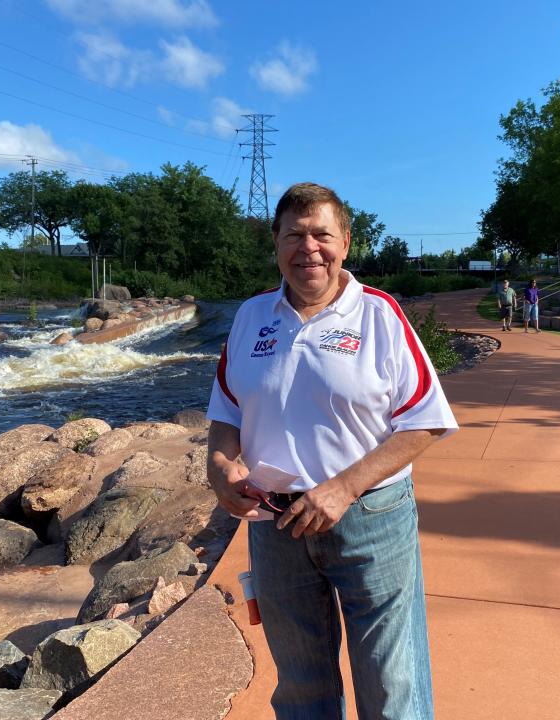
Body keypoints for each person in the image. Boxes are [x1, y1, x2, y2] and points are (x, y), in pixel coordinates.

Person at [206, 182, 458, 720]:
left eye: (322, 234)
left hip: (370, 518)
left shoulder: (380, 315)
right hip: (274, 524)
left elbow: (425, 421)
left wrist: (344, 487)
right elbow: (226, 409)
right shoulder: (251, 317)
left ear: (345, 242)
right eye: (294, 235)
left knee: (392, 684)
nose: (309, 248)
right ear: (276, 243)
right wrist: (221, 464)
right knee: (300, 686)